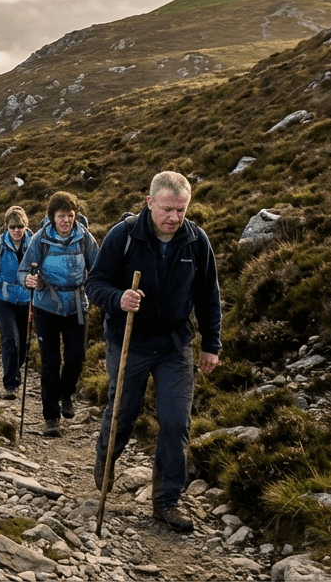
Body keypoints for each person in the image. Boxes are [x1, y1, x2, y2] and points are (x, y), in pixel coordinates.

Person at [86, 171, 222, 533]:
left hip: (175, 345)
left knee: (176, 422)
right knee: (123, 412)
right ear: (150, 203)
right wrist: (118, 298)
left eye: (181, 210)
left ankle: (166, 502)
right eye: (167, 209)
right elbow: (94, 284)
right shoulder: (124, 236)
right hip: (129, 340)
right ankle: (106, 457)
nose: (175, 218)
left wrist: (212, 343)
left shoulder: (196, 241)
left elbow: (209, 295)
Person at [20, 192, 99, 438]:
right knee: (51, 362)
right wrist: (29, 280)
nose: (66, 220)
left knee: (77, 357)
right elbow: (24, 270)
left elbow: (97, 268)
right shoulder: (39, 239)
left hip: (77, 305)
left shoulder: (84, 238)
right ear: (52, 217)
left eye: (70, 215)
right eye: (61, 216)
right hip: (46, 307)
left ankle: (67, 393)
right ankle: (51, 418)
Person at [0, 207, 33, 400]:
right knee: (10, 339)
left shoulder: (34, 243)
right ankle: (10, 384)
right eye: (13, 227)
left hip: (26, 298)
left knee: (21, 344)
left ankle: (14, 371)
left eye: (20, 226)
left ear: (25, 225)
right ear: (7, 227)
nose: (16, 230)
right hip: (2, 298)